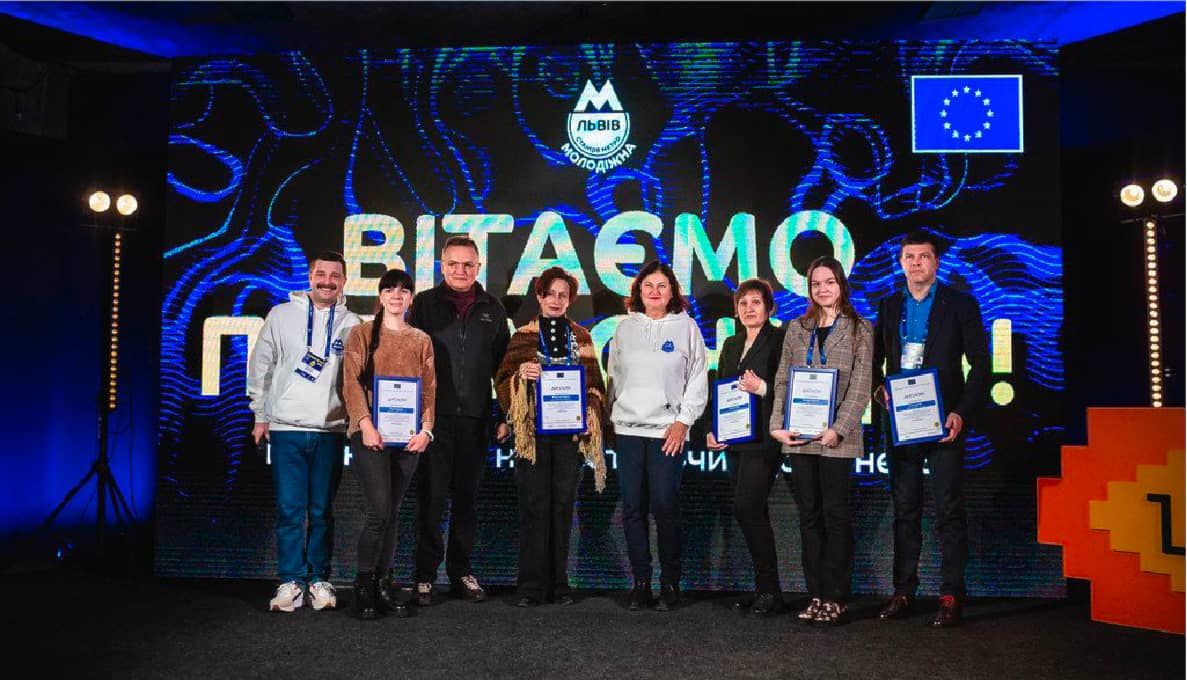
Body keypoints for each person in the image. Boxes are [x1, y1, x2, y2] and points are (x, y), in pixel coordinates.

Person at [872, 230, 989, 628]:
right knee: (905, 510)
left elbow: (981, 365)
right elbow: (875, 362)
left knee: (948, 511)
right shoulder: (889, 306)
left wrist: (960, 413)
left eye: (924, 256)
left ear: (936, 262)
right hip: (902, 422)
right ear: (901, 262)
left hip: (944, 422)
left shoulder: (960, 304)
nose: (916, 263)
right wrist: (878, 390)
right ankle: (903, 592)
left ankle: (951, 594)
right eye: (910, 257)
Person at [248, 251, 361, 613]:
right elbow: (261, 366)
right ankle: (291, 581)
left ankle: (319, 580)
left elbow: (359, 378)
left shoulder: (353, 323)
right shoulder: (281, 315)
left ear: (344, 281)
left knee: (322, 510)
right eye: (321, 274)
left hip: (330, 430)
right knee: (289, 509)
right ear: (310, 276)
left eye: (335, 276)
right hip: (286, 428)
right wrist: (260, 414)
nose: (327, 281)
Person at [495, 266, 608, 608]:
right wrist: (520, 376)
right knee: (534, 508)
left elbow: (595, 386)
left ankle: (559, 584)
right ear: (539, 296)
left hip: (569, 437)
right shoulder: (522, 337)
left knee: (562, 508)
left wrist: (589, 414)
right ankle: (531, 586)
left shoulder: (582, 337)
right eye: (550, 294)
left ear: (570, 300)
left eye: (563, 295)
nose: (556, 300)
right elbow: (502, 382)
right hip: (532, 436)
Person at [770, 256, 873, 626]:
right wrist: (777, 424)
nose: (823, 289)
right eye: (816, 284)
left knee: (835, 516)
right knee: (809, 516)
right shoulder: (797, 327)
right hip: (799, 436)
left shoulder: (861, 328)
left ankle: (835, 596)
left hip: (836, 439)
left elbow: (861, 385)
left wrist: (839, 428)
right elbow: (783, 379)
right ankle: (815, 593)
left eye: (829, 282)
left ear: (841, 284)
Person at [409, 235, 511, 605]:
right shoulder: (423, 305)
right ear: (442, 265)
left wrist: (505, 415)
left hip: (476, 420)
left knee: (467, 502)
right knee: (432, 500)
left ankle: (461, 572)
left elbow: (504, 369)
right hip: (433, 422)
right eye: (453, 263)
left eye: (468, 264)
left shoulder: (493, 308)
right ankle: (424, 576)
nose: (460, 270)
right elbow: (408, 362)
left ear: (478, 267)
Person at [607, 260, 708, 612]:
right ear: (638, 291)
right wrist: (610, 420)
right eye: (648, 285)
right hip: (628, 430)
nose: (654, 291)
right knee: (632, 508)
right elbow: (614, 376)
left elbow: (697, 379)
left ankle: (670, 582)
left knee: (665, 506)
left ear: (672, 291)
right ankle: (641, 583)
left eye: (661, 286)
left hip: (668, 431)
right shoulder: (624, 328)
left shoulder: (687, 327)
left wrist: (684, 421)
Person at [341, 269, 436, 619]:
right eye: (390, 289)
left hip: (408, 437)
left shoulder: (421, 339)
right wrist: (365, 424)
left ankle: (384, 584)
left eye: (404, 290)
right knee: (380, 510)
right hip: (371, 433)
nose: (397, 295)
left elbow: (429, 389)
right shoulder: (362, 333)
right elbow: (350, 383)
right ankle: (363, 585)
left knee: (392, 513)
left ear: (411, 298)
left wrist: (426, 430)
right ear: (380, 296)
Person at [703, 279, 787, 616]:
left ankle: (770, 589)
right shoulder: (731, 343)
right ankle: (766, 590)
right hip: (736, 440)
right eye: (743, 303)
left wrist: (762, 387)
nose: (749, 308)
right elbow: (721, 390)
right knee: (750, 511)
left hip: (765, 439)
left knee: (747, 507)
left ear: (769, 307)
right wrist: (714, 430)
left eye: (756, 302)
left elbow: (789, 387)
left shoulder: (780, 339)